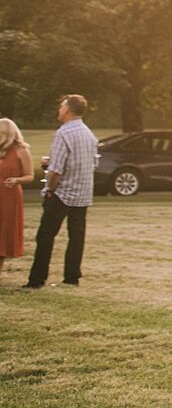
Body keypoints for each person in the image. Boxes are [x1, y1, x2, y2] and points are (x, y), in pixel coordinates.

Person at [24, 95, 99, 290]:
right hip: (82, 193)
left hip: (62, 193)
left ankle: (37, 279)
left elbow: (56, 170)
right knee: (76, 236)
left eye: (61, 106)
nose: (59, 109)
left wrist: (50, 189)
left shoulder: (63, 133)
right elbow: (91, 162)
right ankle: (72, 277)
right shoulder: (89, 134)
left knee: (45, 236)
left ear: (67, 111)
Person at [0, 118, 33, 276]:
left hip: (9, 195)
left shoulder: (21, 150)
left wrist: (17, 180)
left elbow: (30, 176)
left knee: (4, 231)